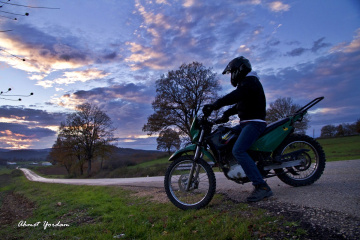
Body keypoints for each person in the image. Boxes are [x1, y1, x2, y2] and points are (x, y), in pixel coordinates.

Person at [203, 56, 273, 202]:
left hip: (254, 124)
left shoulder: (250, 82)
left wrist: (216, 104)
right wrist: (225, 115)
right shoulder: (247, 84)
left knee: (238, 150)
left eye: (232, 72)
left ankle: (262, 187)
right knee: (225, 136)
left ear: (239, 69)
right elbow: (240, 104)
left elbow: (236, 96)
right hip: (245, 124)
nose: (231, 76)